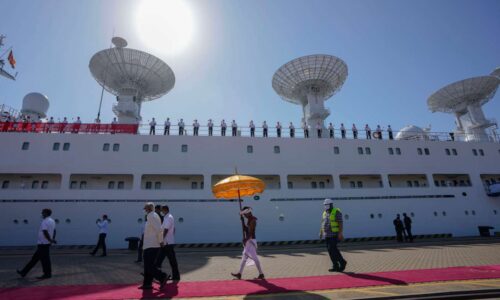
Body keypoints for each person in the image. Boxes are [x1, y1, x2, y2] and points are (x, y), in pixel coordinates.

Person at [17, 208, 56, 279]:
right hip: (45, 244)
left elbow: (45, 232)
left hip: (43, 244)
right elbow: (54, 231)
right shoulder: (52, 221)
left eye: (43, 212)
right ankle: (23, 272)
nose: (42, 214)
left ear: (46, 213)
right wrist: (52, 239)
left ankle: (47, 274)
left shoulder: (45, 221)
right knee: (35, 259)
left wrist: (50, 240)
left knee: (45, 260)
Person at [139, 202, 168, 290]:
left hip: (152, 245)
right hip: (149, 245)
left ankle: (162, 276)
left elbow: (159, 229)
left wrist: (161, 241)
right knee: (148, 265)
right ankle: (147, 284)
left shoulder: (151, 216)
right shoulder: (153, 216)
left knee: (149, 266)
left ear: (150, 208)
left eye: (145, 208)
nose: (144, 210)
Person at [231, 207, 265, 280]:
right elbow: (245, 229)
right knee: (245, 257)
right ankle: (240, 274)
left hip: (251, 240)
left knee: (253, 257)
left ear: (249, 213)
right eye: (244, 215)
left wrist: (246, 239)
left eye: (245, 214)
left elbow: (251, 232)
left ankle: (261, 274)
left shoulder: (253, 220)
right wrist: (242, 221)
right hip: (249, 241)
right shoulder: (249, 220)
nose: (245, 216)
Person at [319, 199, 347, 272]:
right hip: (327, 235)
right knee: (330, 251)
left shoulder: (336, 212)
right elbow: (322, 223)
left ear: (331, 205)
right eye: (325, 205)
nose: (325, 207)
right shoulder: (325, 213)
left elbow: (340, 223)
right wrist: (321, 232)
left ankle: (342, 262)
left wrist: (340, 233)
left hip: (334, 234)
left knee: (333, 249)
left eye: (327, 205)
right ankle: (335, 265)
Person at [156, 206, 180, 281]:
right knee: (159, 260)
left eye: (162, 210)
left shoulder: (169, 217)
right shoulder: (167, 217)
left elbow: (166, 229)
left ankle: (175, 276)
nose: (161, 211)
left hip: (167, 243)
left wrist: (161, 240)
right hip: (167, 243)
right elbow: (173, 229)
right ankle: (159, 275)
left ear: (165, 210)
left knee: (172, 261)